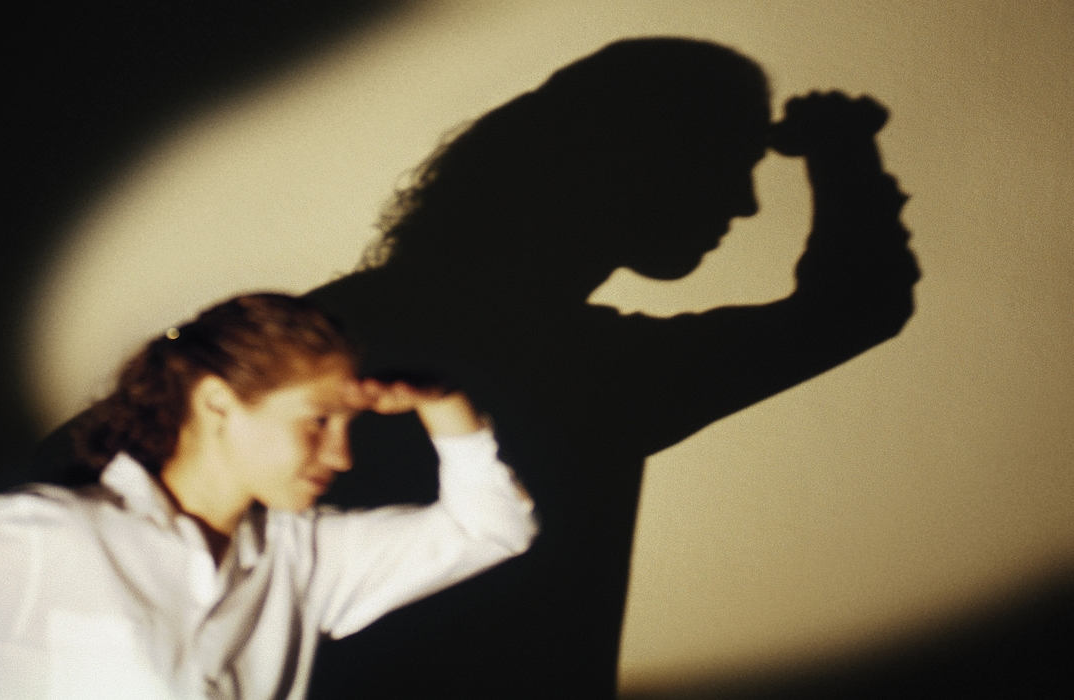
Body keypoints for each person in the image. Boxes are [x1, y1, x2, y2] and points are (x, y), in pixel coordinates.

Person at [299, 38, 920, 699]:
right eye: (728, 163)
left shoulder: (324, 328)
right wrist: (841, 148)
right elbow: (855, 305)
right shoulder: (586, 371)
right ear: (641, 159)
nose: (745, 204)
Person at [0, 293, 537, 700]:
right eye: (318, 421)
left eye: (350, 426)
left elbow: (491, 528)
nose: (342, 457)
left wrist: (444, 403)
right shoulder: (57, 539)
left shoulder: (302, 556)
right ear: (216, 403)